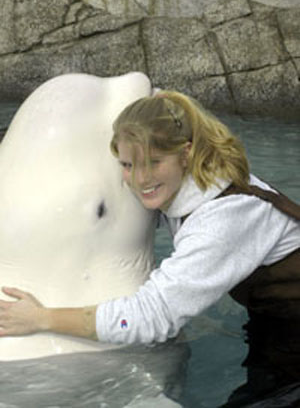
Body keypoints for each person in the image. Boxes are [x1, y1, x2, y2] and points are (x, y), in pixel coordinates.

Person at [0, 92, 299, 393]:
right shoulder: (200, 177)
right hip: (274, 317)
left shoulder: (222, 221)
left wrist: (44, 319)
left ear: (186, 153)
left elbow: (151, 317)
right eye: (127, 165)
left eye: (153, 162)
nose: (140, 179)